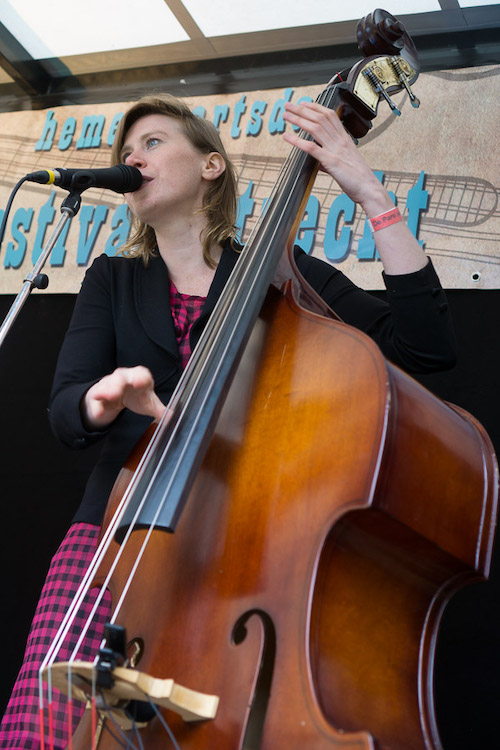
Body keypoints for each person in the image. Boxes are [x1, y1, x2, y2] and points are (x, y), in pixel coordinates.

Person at [0, 92, 456, 749]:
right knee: (46, 731)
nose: (132, 157)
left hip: (238, 549)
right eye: (126, 151)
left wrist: (364, 188)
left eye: (153, 142)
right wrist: (98, 399)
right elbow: (67, 412)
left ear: (212, 165)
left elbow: (426, 348)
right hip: (114, 537)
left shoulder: (279, 275)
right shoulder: (114, 278)